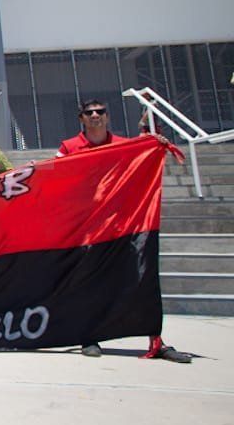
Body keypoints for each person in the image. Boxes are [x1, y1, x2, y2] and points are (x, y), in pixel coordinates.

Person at [56, 99, 190, 364]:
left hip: (126, 226)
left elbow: (142, 163)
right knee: (91, 283)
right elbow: (56, 177)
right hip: (88, 229)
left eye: (100, 112)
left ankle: (156, 341)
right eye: (89, 112)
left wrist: (153, 145)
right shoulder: (69, 147)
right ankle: (89, 336)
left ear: (107, 116)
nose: (95, 116)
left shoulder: (124, 146)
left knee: (143, 278)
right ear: (81, 118)